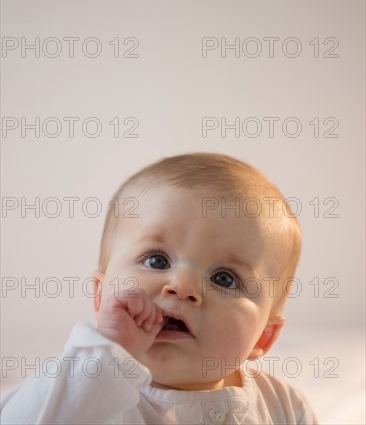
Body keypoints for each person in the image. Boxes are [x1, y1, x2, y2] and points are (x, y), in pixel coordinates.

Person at [1, 152, 318, 424]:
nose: (182, 287)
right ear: (101, 296)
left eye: (225, 278)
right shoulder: (86, 393)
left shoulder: (283, 407)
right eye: (156, 260)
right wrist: (103, 357)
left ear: (263, 336)